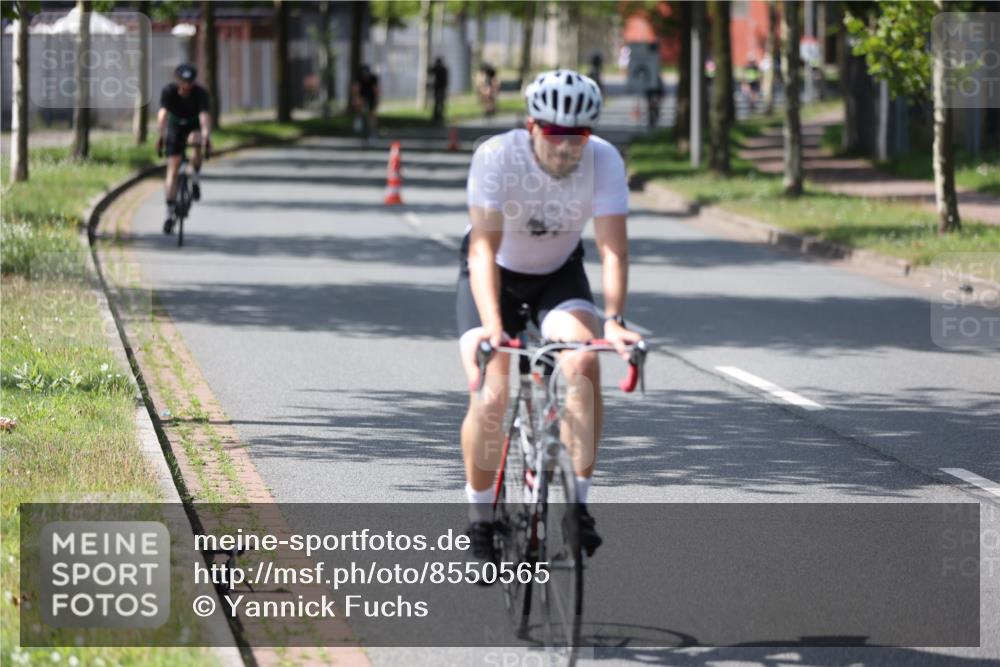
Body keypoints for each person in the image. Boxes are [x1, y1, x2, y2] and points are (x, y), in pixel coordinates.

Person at [459, 70, 642, 563]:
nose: (565, 147)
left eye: (577, 136)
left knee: (583, 364)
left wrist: (616, 319)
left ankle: (577, 507)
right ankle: (480, 520)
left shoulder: (603, 160)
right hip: (493, 275)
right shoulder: (497, 156)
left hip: (558, 276)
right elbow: (482, 249)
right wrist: (494, 325)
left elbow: (613, 250)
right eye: (555, 134)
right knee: (493, 394)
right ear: (531, 126)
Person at [157, 63, 211, 234]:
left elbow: (204, 117)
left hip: (193, 126)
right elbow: (163, 114)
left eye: (190, 82)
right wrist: (161, 136)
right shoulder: (169, 92)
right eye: (183, 82)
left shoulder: (200, 94)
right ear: (177, 80)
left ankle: (194, 177)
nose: (186, 86)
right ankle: (169, 212)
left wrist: (206, 136)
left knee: (196, 140)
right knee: (172, 170)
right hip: (175, 127)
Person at [351, 65, 380, 138]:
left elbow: (376, 90)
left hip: (371, 96)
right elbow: (355, 89)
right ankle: (358, 118)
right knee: (359, 106)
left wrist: (376, 100)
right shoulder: (358, 78)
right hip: (362, 95)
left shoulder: (373, 78)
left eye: (367, 74)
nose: (365, 76)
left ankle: (373, 130)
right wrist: (356, 99)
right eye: (364, 74)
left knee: (372, 114)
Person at [429, 56, 449, 126]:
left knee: (439, 103)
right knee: (438, 103)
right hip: (439, 88)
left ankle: (439, 116)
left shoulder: (441, 69)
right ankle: (437, 116)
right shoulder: (441, 69)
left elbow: (430, 71)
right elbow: (430, 71)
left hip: (440, 88)